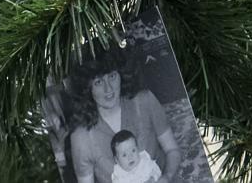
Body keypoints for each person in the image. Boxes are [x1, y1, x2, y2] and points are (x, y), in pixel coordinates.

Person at [66, 46, 183, 183]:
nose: (108, 88)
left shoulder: (145, 101)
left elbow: (172, 150)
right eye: (98, 82)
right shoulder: (81, 138)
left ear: (121, 75)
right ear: (87, 88)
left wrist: (166, 177)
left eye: (112, 76)